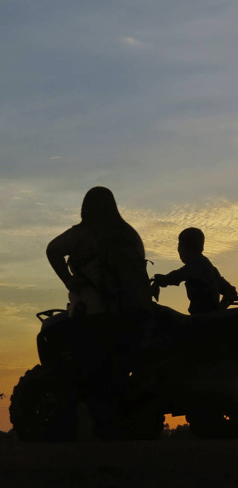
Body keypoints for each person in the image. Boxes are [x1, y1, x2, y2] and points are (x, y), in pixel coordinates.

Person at [46, 186, 153, 440]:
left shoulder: (85, 234)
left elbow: (52, 249)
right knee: (116, 374)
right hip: (130, 314)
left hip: (92, 315)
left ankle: (96, 434)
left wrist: (69, 282)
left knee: (89, 374)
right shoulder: (131, 235)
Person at [152, 227, 238, 314]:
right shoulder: (209, 266)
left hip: (200, 320)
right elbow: (231, 292)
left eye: (180, 245)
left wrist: (162, 279)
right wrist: (218, 311)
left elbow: (177, 276)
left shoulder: (197, 264)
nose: (178, 249)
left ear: (188, 247)